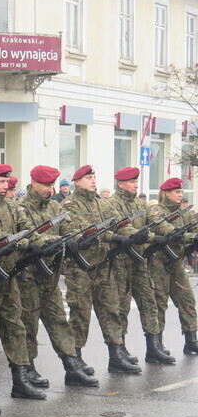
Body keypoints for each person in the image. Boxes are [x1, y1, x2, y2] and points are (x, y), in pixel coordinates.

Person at [16, 166, 98, 388]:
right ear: (33, 183)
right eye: (45, 185)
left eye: (52, 185)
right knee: (29, 324)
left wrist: (76, 239)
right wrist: (53, 241)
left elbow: (68, 227)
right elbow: (30, 235)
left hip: (50, 275)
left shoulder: (54, 206)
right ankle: (28, 367)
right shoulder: (22, 208)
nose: (49, 190)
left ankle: (71, 365)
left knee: (58, 320)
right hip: (29, 274)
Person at [0, 164, 46, 401]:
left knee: (15, 327)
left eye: (7, 182)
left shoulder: (11, 205)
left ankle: (20, 380)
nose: (6, 186)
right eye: (1, 182)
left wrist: (42, 243)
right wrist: (25, 244)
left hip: (9, 276)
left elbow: (28, 230)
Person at [60, 166, 140, 373]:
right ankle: (75, 359)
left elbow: (119, 223)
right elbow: (85, 229)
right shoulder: (70, 204)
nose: (93, 181)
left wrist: (132, 235)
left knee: (111, 310)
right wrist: (114, 237)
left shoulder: (100, 203)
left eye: (94, 177)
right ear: (77, 182)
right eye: (88, 178)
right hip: (80, 268)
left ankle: (116, 355)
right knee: (80, 314)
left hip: (104, 266)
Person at [105, 167, 174, 364]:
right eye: (132, 181)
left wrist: (170, 231)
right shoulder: (112, 204)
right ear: (120, 183)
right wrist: (152, 237)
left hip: (139, 261)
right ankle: (121, 349)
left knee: (149, 301)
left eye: (136, 181)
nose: (136, 184)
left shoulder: (140, 203)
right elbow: (124, 227)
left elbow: (155, 221)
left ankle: (153, 347)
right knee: (122, 307)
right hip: (121, 263)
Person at [148, 178, 198, 354]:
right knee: (159, 303)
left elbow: (194, 228)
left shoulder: (184, 213)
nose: (180, 195)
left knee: (187, 300)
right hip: (158, 264)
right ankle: (157, 344)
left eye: (181, 192)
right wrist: (191, 237)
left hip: (176, 263)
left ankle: (191, 339)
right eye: (177, 192)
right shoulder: (155, 211)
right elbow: (169, 230)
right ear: (166, 193)